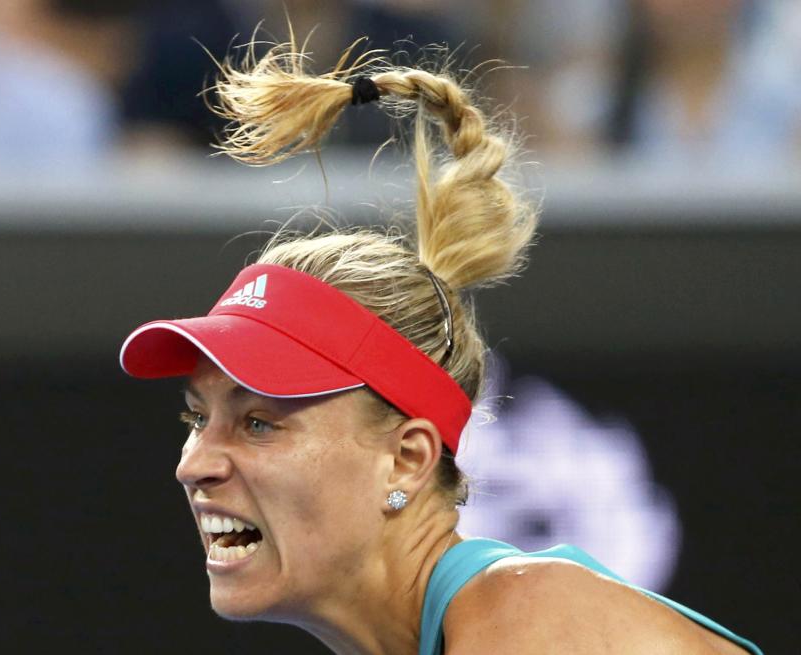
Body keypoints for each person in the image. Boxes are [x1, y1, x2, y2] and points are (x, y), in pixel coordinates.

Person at [118, 36, 763, 655]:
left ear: (405, 460)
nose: (194, 463)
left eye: (258, 423)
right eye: (198, 418)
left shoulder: (529, 614)